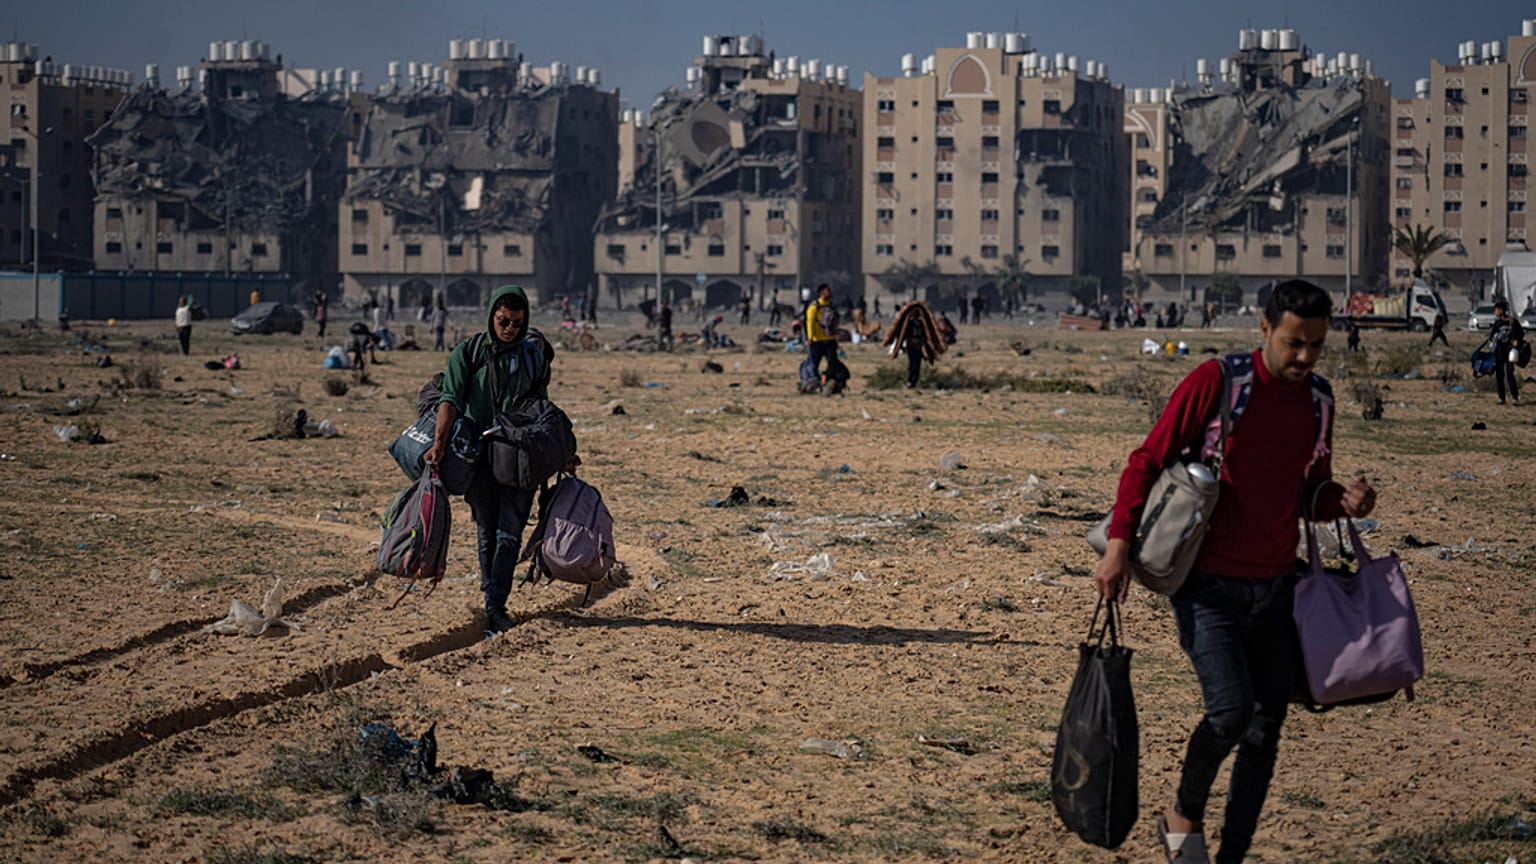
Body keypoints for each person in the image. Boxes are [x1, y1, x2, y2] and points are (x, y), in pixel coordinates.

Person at [1092, 279, 1377, 864]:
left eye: (1316, 346)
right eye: (1294, 343)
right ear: (1265, 330)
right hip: (1206, 586)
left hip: (1277, 589)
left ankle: (1231, 858)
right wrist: (1117, 545)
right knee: (1230, 712)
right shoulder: (1219, 384)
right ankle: (1183, 815)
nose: (1304, 358)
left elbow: (1309, 493)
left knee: (1265, 734)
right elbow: (1146, 460)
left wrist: (1341, 502)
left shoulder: (1319, 400)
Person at [424, 285, 556, 636]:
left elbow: (541, 405)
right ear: (491, 317)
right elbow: (449, 401)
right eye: (503, 321)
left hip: (519, 456)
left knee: (510, 533)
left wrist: (560, 450)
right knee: (487, 530)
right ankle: (491, 601)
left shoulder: (532, 357)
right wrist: (438, 445)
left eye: (516, 322)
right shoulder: (467, 354)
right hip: (479, 456)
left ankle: (496, 605)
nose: (510, 329)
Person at [806, 284, 842, 391]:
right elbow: (810, 322)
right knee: (814, 364)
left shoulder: (831, 306)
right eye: (827, 290)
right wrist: (810, 337)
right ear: (821, 293)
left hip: (830, 340)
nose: (830, 292)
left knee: (832, 363)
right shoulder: (814, 306)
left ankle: (828, 382)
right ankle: (812, 383)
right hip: (817, 340)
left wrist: (836, 338)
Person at [1490, 300, 1525, 405]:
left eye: (1496, 310)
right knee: (1499, 375)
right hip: (1499, 352)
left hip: (1509, 352)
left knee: (1509, 374)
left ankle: (1515, 397)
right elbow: (1491, 336)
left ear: (1501, 310)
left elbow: (1521, 333)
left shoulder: (1512, 322)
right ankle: (1501, 398)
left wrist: (1516, 341)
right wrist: (1495, 338)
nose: (1495, 312)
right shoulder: (1497, 323)